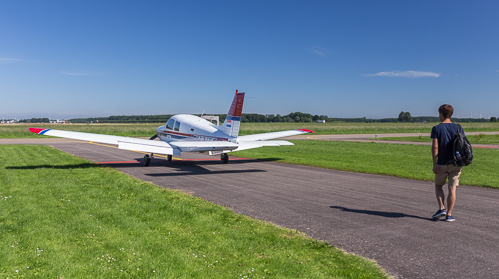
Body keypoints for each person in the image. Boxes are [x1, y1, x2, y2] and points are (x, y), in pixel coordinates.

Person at [431, 104, 463, 222]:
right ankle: (449, 214)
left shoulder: (436, 128)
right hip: (456, 163)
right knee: (452, 188)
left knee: (438, 185)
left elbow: (435, 147)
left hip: (442, 163)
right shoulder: (459, 128)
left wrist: (435, 163)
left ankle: (441, 208)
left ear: (441, 114)